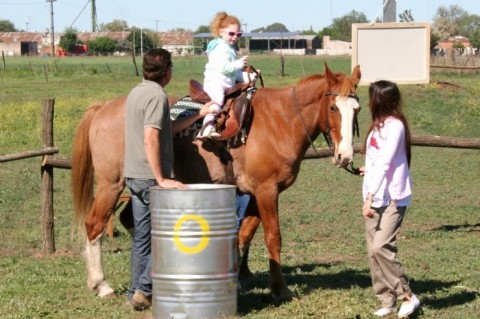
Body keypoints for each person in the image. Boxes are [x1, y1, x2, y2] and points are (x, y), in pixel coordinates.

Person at [124, 48, 215, 310]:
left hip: (134, 173)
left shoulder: (136, 92)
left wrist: (198, 114)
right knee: (166, 237)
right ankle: (145, 288)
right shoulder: (156, 96)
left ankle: (135, 293)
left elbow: (166, 130)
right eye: (171, 68)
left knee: (143, 237)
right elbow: (151, 137)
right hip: (150, 178)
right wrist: (161, 178)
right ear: (167, 72)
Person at [360, 80, 420, 318]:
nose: (369, 102)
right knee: (373, 251)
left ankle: (407, 295)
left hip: (392, 195)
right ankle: (386, 300)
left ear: (379, 101)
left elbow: (386, 162)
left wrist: (370, 196)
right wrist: (367, 169)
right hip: (374, 194)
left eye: (371, 97)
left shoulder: (395, 126)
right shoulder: (377, 126)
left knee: (381, 245)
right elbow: (379, 158)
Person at [197, 11, 252, 140]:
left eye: (238, 34)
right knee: (217, 102)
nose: (235, 37)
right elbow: (224, 68)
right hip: (216, 82)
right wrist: (239, 63)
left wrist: (248, 76)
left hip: (225, 81)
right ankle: (206, 129)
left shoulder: (229, 48)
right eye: (231, 34)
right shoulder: (221, 48)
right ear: (221, 32)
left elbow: (233, 72)